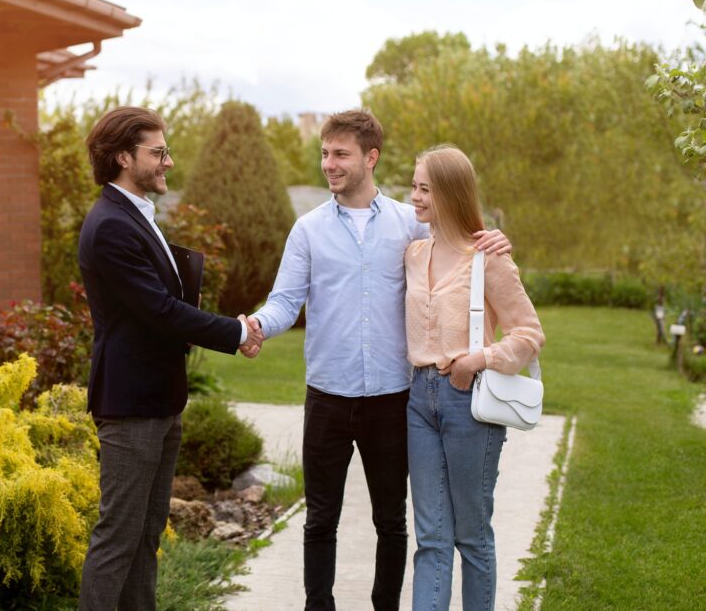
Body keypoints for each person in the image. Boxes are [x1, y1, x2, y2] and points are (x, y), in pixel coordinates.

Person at [247, 109, 510, 611]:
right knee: (319, 518)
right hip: (326, 395)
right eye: (325, 153)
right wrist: (258, 325)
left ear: (370, 157)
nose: (329, 164)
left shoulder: (410, 226)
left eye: (340, 154)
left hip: (393, 398)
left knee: (391, 520)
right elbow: (285, 301)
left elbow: (458, 249)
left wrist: (491, 240)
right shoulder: (307, 230)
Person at [76, 106, 263, 610]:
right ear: (121, 157)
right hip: (131, 405)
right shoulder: (111, 224)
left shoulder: (134, 214)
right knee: (118, 537)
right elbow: (160, 310)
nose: (169, 162)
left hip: (158, 399)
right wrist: (235, 332)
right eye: (157, 153)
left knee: (145, 536)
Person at [404, 144, 544, 611]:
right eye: (414, 186)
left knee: (472, 535)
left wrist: (477, 358)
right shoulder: (413, 252)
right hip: (419, 403)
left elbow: (529, 334)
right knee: (431, 536)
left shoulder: (488, 258)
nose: (415, 196)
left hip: (469, 402)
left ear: (449, 193)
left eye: (425, 188)